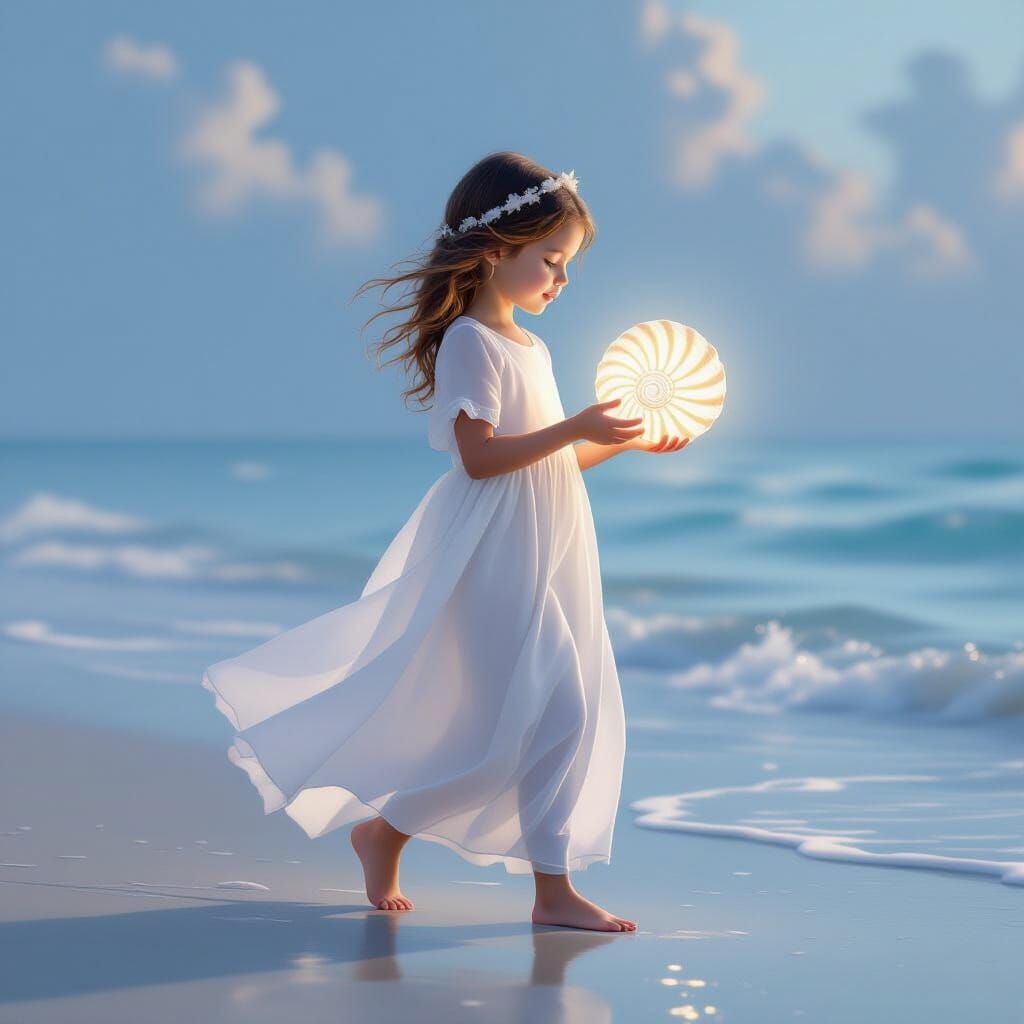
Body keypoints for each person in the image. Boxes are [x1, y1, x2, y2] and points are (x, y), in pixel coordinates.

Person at [201, 151, 688, 933]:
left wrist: (621, 442)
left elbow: (553, 460)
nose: (562, 281)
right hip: (492, 555)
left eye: (567, 266)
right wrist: (576, 424)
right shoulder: (472, 342)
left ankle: (515, 878)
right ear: (497, 250)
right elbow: (481, 456)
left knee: (564, 712)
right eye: (552, 261)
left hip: (550, 547)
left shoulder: (534, 347)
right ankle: (396, 836)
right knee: (514, 729)